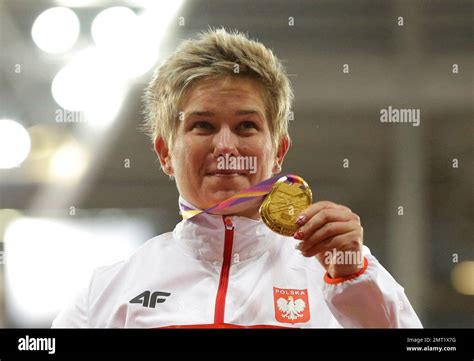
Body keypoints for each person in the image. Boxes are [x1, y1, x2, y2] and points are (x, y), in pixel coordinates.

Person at [52, 28, 422, 328]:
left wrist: (354, 282)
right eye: (203, 125)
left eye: (246, 125)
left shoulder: (342, 270)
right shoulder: (104, 295)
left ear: (278, 151)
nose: (226, 146)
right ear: (165, 153)